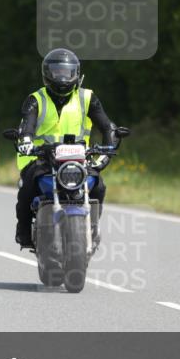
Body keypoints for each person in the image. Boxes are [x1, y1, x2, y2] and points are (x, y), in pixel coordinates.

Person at [14, 48, 118, 248]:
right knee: (26, 189)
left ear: (76, 74)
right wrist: (26, 141)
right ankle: (24, 232)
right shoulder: (36, 99)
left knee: (99, 185)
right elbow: (26, 127)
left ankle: (92, 227)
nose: (62, 77)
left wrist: (105, 153)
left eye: (67, 72)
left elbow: (108, 127)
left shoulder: (87, 98)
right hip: (41, 159)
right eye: (57, 71)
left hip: (79, 159)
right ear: (47, 74)